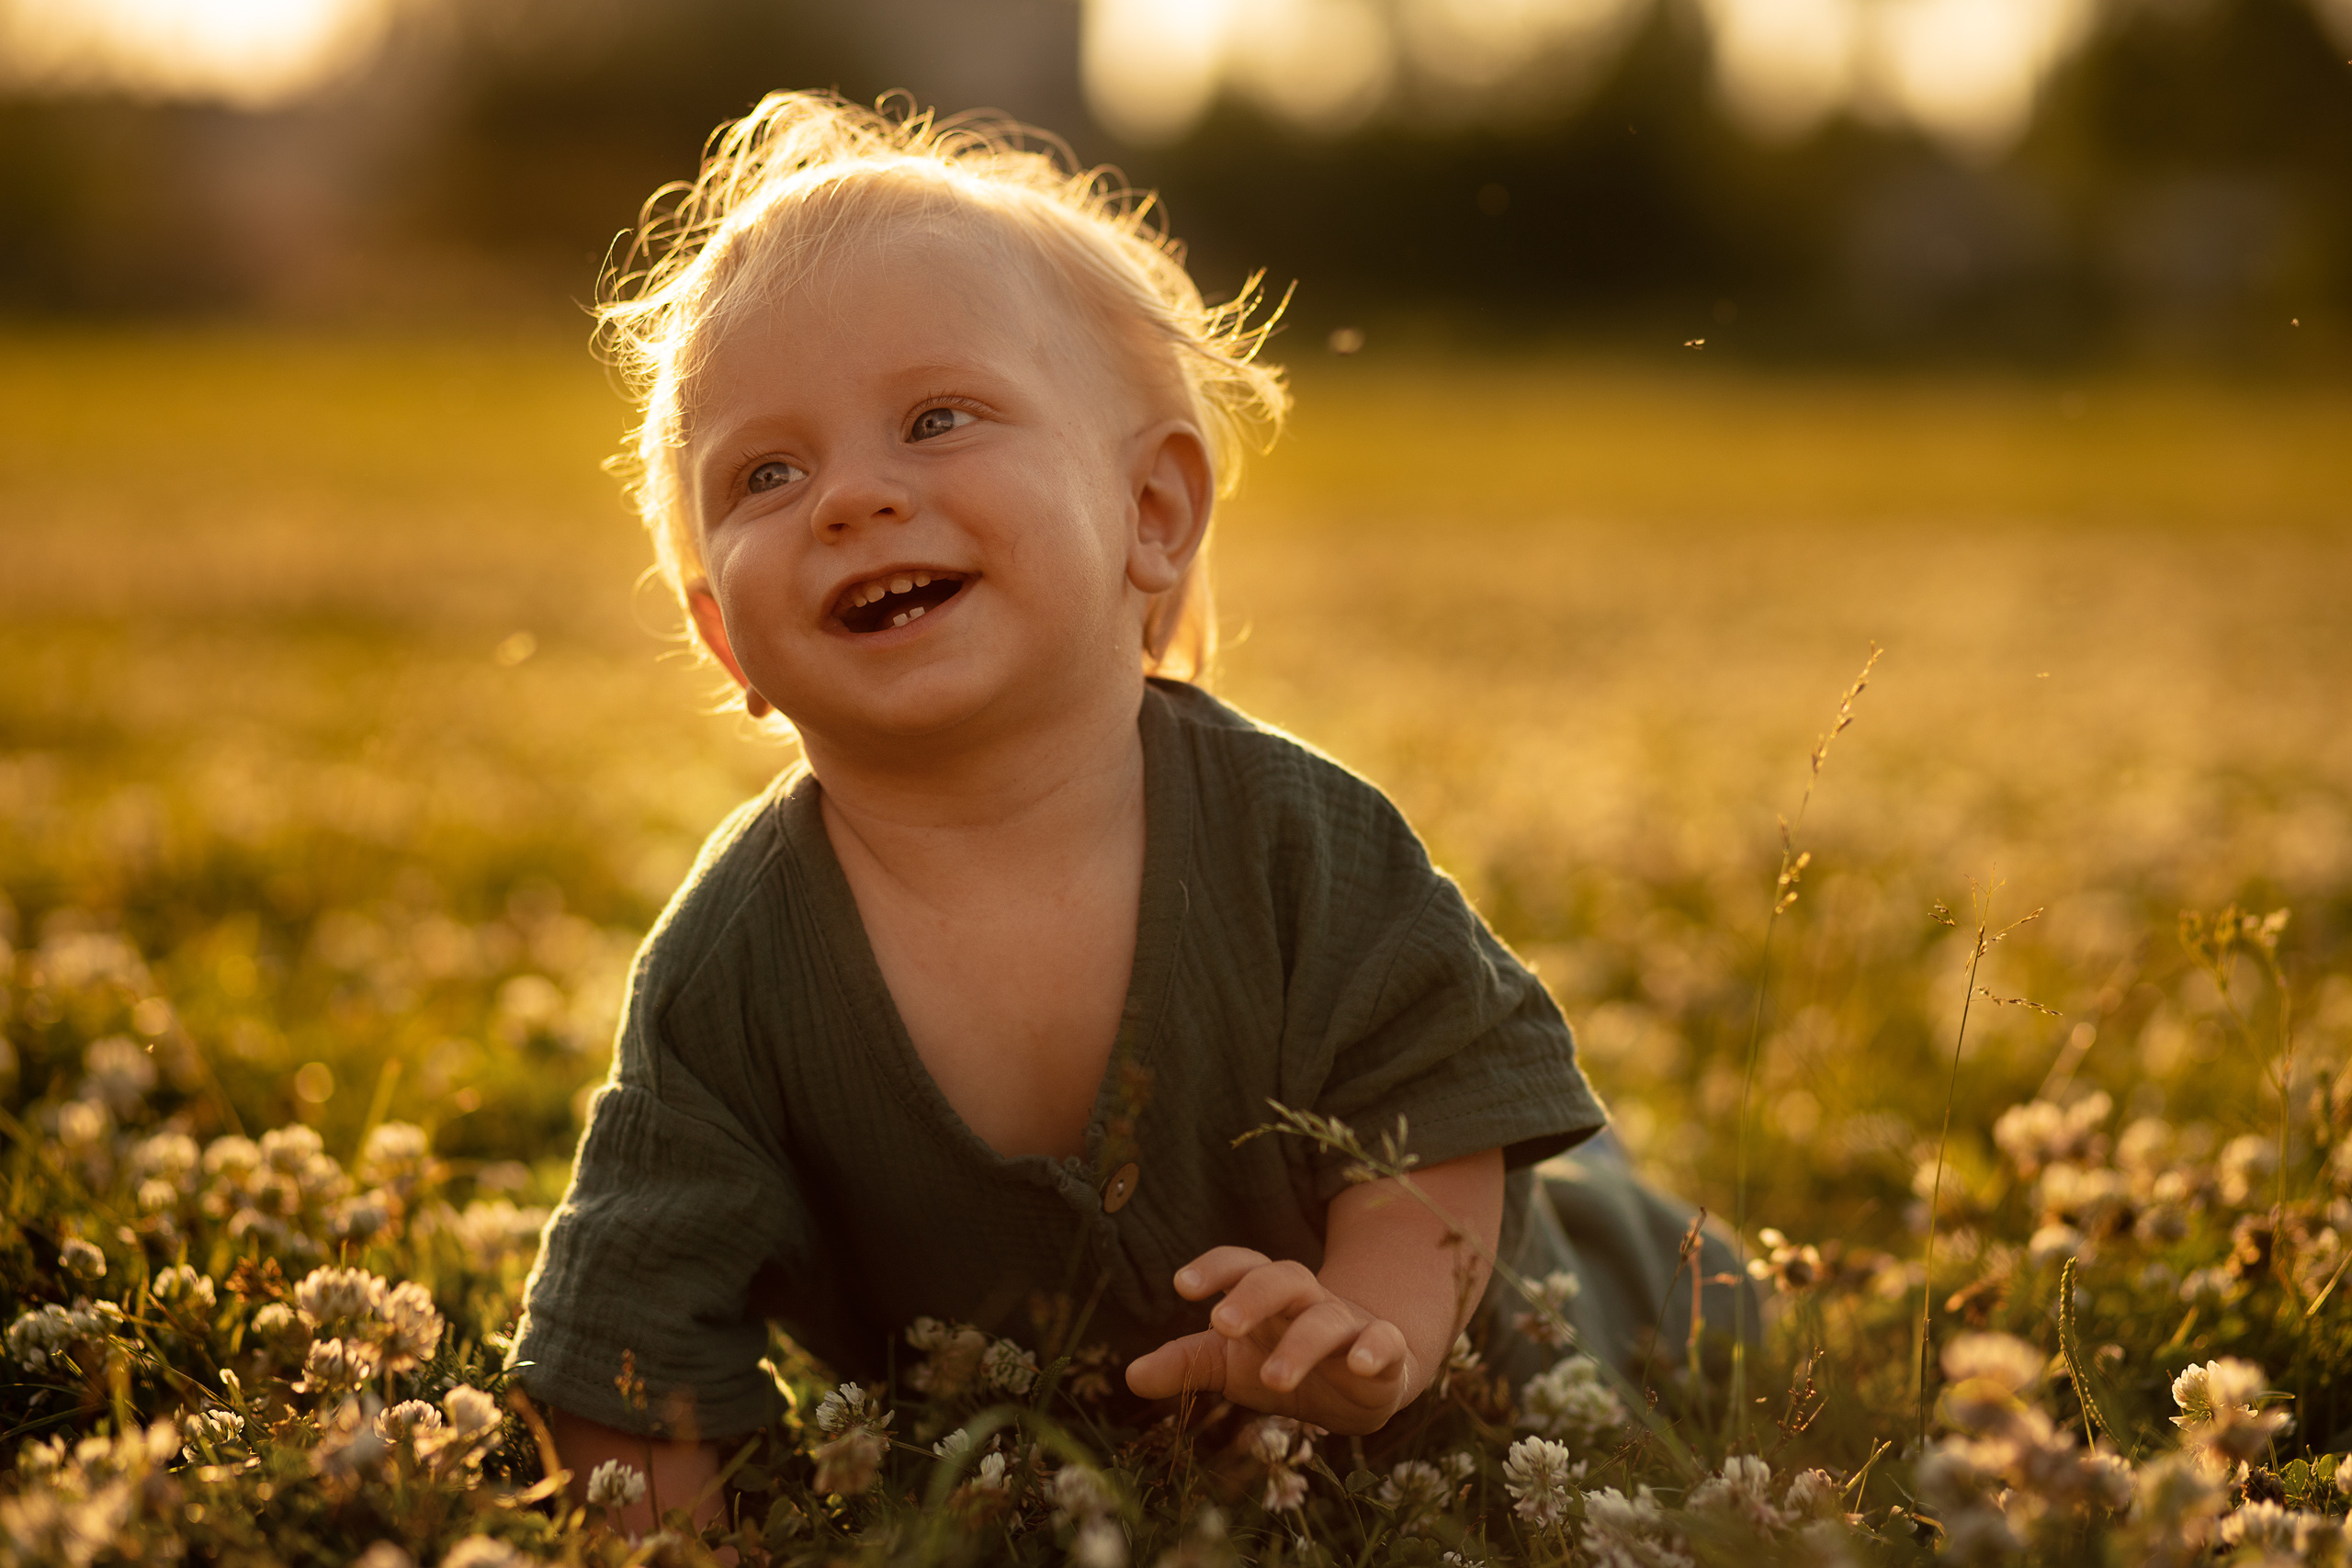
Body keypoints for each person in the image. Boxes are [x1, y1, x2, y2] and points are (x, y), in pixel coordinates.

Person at [508, 90, 1741, 1535]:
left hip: (1482, 1376)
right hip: (1058, 1479)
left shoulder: (1298, 842)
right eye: (766, 474)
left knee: (1657, 1287)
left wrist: (1373, 1333)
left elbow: (1438, 1114)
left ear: (1153, 514)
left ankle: (1633, 1209)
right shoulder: (734, 970)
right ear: (728, 646)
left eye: (937, 417)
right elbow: (627, 1329)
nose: (851, 497)